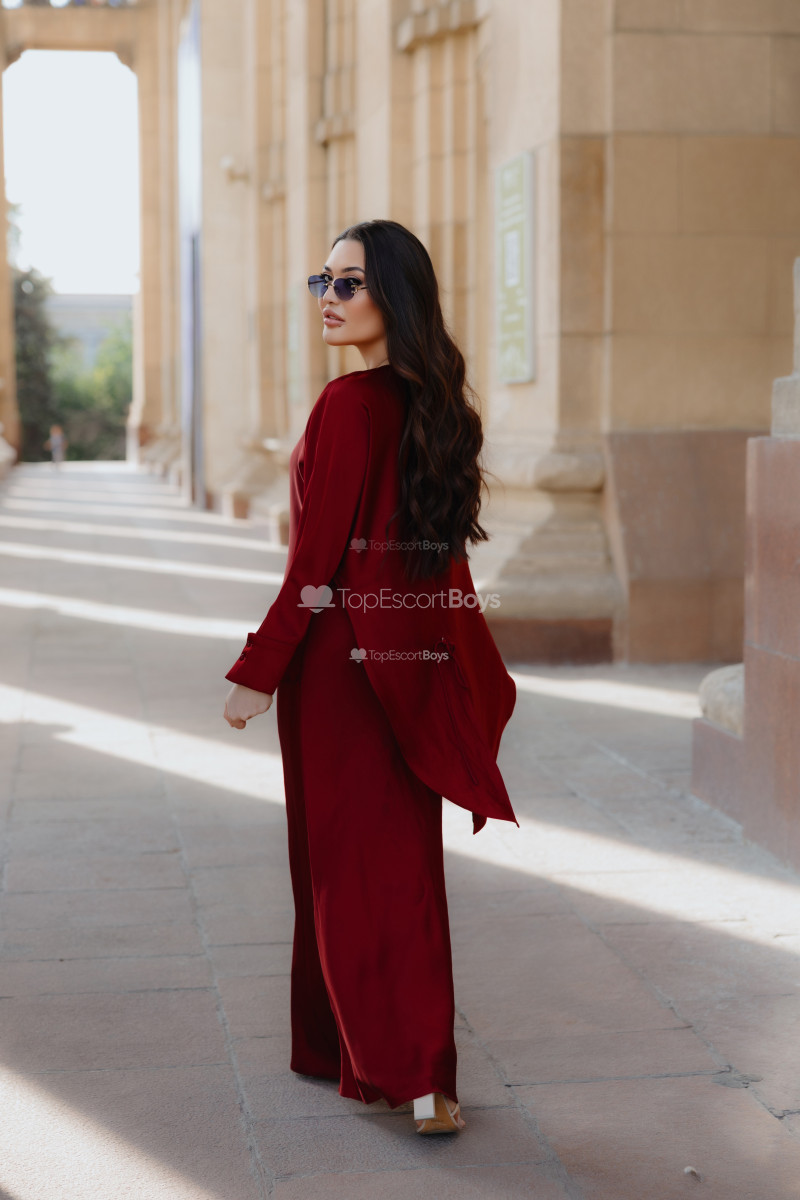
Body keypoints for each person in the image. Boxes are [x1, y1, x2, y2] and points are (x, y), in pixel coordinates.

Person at [223, 219, 518, 1135]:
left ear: (395, 293)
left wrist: (260, 667)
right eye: (323, 280)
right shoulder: (432, 405)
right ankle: (339, 1050)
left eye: (349, 282)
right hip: (405, 661)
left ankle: (420, 1076)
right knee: (379, 861)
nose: (328, 298)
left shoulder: (347, 406)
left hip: (341, 676)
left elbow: (314, 560)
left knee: (355, 872)